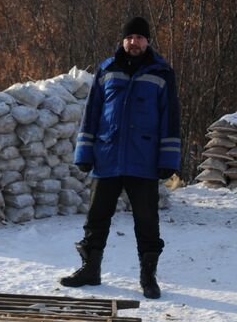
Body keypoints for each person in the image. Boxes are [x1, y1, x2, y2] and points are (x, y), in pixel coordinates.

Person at [62, 16, 180, 299]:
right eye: (129, 38)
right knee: (96, 217)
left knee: (147, 221)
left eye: (139, 37)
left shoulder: (162, 72)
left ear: (147, 41)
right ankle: (90, 269)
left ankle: (148, 277)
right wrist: (85, 151)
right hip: (107, 156)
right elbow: (92, 114)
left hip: (144, 159)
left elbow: (171, 119)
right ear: (122, 40)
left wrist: (168, 160)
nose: (134, 42)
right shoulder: (107, 69)